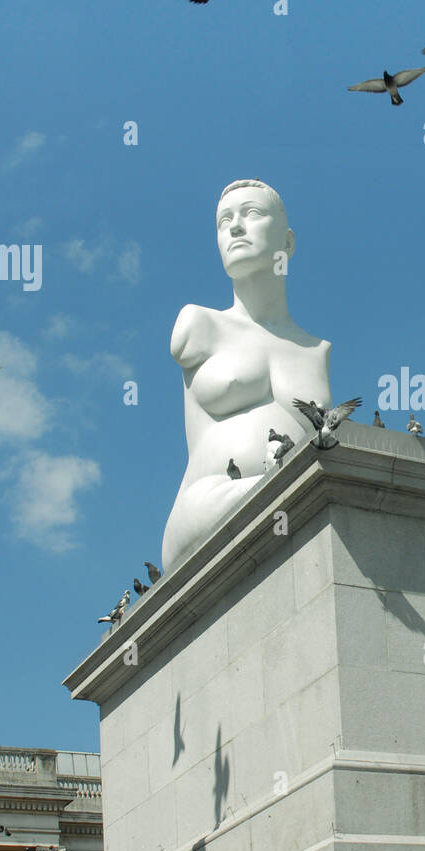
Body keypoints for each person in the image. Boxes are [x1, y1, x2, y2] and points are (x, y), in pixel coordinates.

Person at [161, 180, 331, 571]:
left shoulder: (316, 351)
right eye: (224, 221)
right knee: (311, 490)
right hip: (207, 504)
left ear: (287, 243)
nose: (234, 228)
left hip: (301, 502)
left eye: (251, 214)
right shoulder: (199, 324)